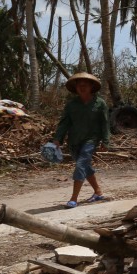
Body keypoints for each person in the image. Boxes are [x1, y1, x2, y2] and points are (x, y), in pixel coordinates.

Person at [53, 72, 111, 208]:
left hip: (91, 140)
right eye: (79, 85)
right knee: (85, 166)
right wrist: (57, 139)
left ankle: (73, 199)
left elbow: (105, 123)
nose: (82, 88)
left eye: (85, 85)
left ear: (92, 87)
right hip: (74, 141)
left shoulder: (100, 104)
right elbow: (64, 123)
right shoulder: (71, 105)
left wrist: (106, 140)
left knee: (80, 165)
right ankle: (98, 192)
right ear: (76, 88)